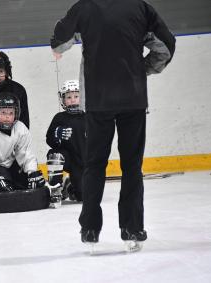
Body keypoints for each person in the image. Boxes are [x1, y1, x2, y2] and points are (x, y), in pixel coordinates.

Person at [51, 0, 176, 250]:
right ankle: (132, 228)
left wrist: (63, 43)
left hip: (99, 101)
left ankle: (89, 229)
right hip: (133, 98)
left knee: (94, 164)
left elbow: (59, 40)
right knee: (132, 166)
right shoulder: (141, 8)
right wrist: (142, 69)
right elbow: (166, 47)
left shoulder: (84, 7)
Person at [46, 79, 86, 204]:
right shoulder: (59, 118)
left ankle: (70, 187)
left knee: (83, 197)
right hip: (68, 159)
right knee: (55, 156)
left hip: (85, 163)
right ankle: (55, 189)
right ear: (63, 99)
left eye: (76, 96)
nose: (72, 99)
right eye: (68, 97)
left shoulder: (90, 117)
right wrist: (57, 134)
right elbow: (50, 140)